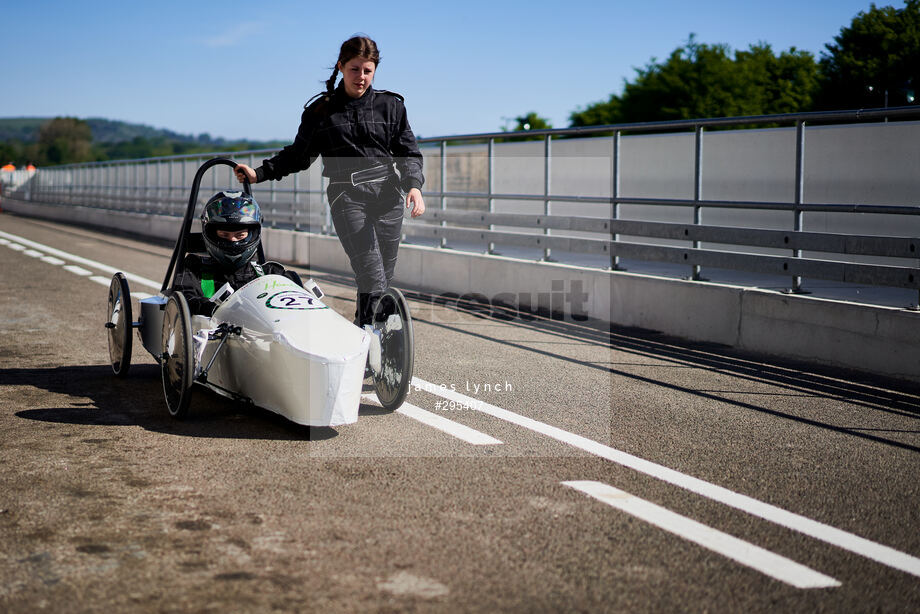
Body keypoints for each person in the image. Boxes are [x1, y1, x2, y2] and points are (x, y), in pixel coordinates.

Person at [234, 35, 425, 327]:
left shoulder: (391, 106)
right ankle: (376, 339)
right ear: (341, 66)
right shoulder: (321, 112)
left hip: (388, 196)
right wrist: (259, 173)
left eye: (367, 70)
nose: (361, 77)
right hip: (347, 197)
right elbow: (298, 156)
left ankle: (368, 339)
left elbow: (408, 151)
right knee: (372, 271)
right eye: (354, 69)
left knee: (382, 276)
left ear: (374, 70)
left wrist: (413, 185)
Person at [174, 190, 302, 316]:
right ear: (211, 233)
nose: (233, 241)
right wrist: (215, 310)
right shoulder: (195, 269)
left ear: (252, 233)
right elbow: (186, 298)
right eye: (224, 235)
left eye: (240, 235)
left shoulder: (269, 273)